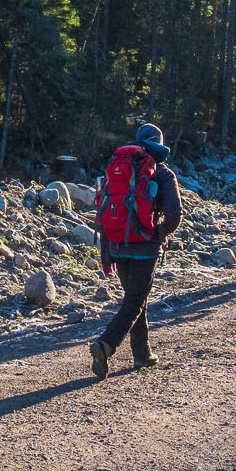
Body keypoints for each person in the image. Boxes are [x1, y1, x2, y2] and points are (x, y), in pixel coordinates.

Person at [88, 122, 182, 379]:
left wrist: (106, 254)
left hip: (117, 243)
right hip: (145, 246)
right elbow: (174, 213)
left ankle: (142, 353)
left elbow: (104, 211)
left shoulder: (117, 168)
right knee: (135, 301)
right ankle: (105, 345)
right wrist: (162, 231)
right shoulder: (162, 173)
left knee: (135, 298)